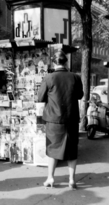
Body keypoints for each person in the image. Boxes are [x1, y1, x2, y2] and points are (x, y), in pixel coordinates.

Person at [37, 50, 83, 190]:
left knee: (53, 149)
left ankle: (50, 178)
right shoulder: (75, 77)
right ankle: (71, 180)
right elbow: (80, 95)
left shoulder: (49, 78)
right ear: (66, 61)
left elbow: (40, 98)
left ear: (53, 62)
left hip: (53, 120)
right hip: (71, 119)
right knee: (72, 149)